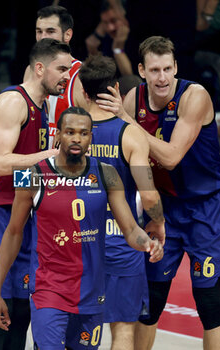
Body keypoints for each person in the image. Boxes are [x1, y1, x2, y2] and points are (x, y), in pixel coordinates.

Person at [0, 107, 164, 350]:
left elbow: (130, 229)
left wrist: (147, 243)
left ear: (91, 137)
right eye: (69, 132)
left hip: (91, 292)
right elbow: (13, 232)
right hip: (48, 290)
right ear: (58, 135)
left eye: (83, 133)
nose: (76, 138)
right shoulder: (32, 175)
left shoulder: (107, 174)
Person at [97, 36, 220, 350]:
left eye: (168, 68)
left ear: (176, 66)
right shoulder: (132, 100)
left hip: (205, 209)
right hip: (161, 210)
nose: (162, 77)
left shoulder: (195, 96)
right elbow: (120, 154)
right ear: (141, 70)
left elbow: (171, 156)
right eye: (154, 70)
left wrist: (127, 123)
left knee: (210, 305)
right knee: (149, 305)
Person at [0, 38, 72, 350]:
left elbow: (29, 166)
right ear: (40, 68)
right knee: (0, 308)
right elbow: (0, 164)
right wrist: (52, 156)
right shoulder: (13, 102)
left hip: (20, 213)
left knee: (23, 309)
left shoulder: (45, 105)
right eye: (61, 68)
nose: (67, 75)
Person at [78, 55, 165, 350]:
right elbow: (149, 194)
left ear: (83, 90)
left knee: (78, 331)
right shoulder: (130, 135)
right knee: (124, 330)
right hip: (119, 241)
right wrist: (158, 221)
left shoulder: (69, 134)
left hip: (78, 240)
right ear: (115, 88)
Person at [23, 5, 87, 148]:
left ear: (68, 35)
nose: (43, 37)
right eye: (39, 31)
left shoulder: (81, 75)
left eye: (50, 31)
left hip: (66, 166)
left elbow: (94, 129)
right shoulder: (30, 71)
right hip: (35, 163)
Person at [85, 0, 133, 78]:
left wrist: (118, 49)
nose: (110, 28)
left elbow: (131, 79)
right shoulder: (107, 39)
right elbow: (100, 74)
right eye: (105, 22)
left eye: (113, 21)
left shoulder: (137, 36)